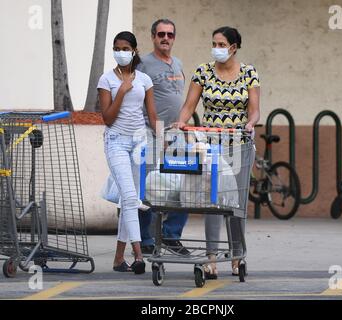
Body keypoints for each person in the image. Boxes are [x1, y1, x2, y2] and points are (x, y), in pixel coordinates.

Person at [175, 26, 260, 278]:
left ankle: (237, 255)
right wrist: (181, 122)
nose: (217, 48)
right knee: (212, 201)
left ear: (233, 47)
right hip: (211, 146)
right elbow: (189, 105)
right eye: (214, 43)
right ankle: (211, 257)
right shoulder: (203, 72)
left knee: (235, 203)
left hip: (240, 145)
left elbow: (254, 108)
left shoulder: (249, 73)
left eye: (221, 44)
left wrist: (251, 122)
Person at [97, 31, 158, 274]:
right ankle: (139, 254)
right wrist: (121, 91)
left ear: (133, 50)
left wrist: (163, 138)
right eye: (116, 48)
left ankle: (118, 258)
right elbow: (108, 118)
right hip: (116, 142)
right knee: (131, 198)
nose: (120, 52)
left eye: (125, 48)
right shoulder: (106, 80)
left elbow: (152, 116)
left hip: (139, 143)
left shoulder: (144, 79)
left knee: (128, 199)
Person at [135, 19, 190, 256]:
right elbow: (137, 101)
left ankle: (170, 234)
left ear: (174, 38)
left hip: (176, 136)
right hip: (151, 135)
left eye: (170, 34)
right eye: (161, 34)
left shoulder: (177, 63)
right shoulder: (144, 65)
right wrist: (158, 133)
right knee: (148, 189)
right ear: (153, 37)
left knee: (186, 184)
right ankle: (145, 239)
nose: (165, 38)